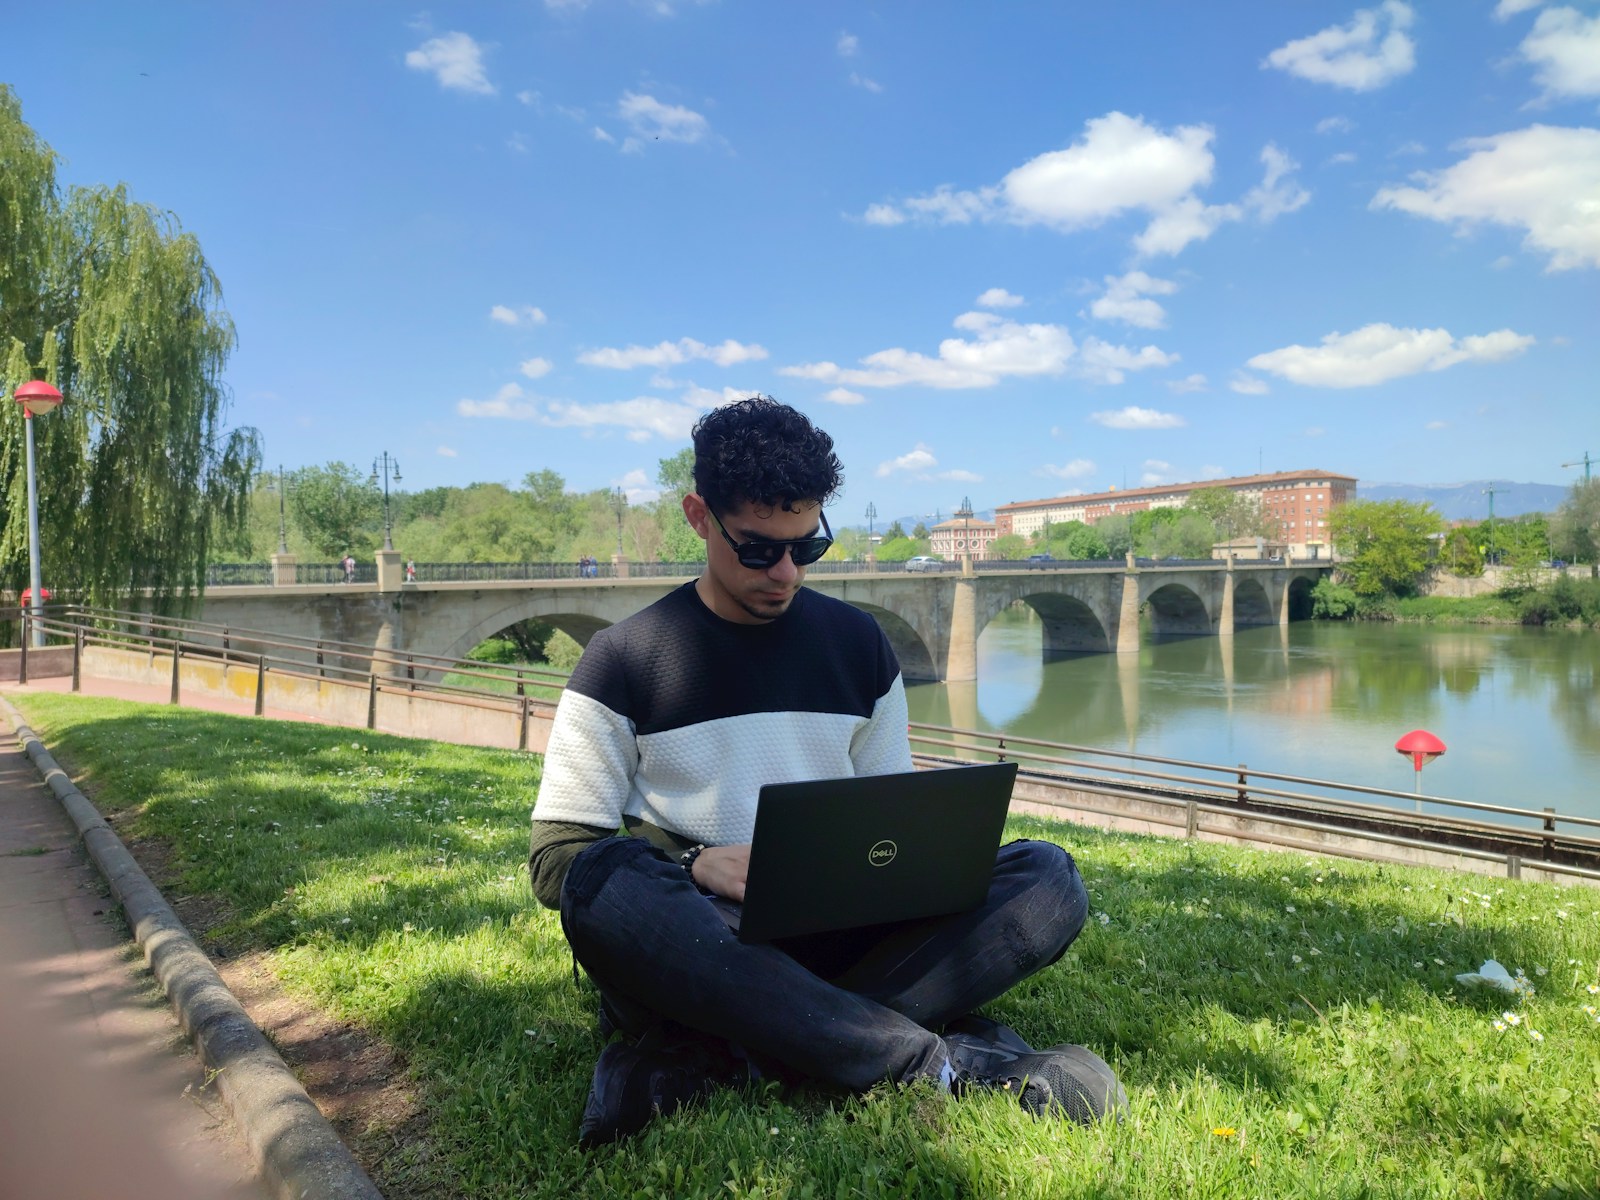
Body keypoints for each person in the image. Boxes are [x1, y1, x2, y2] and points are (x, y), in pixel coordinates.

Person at [528, 397, 1124, 1147]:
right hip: (707, 941)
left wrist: (916, 865)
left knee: (1048, 877)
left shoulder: (861, 645)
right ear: (698, 516)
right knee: (603, 880)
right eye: (757, 549)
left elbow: (891, 823)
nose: (785, 573)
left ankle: (720, 1060)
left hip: (848, 933)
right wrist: (694, 861)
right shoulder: (620, 657)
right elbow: (557, 863)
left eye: (806, 548)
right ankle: (937, 1062)